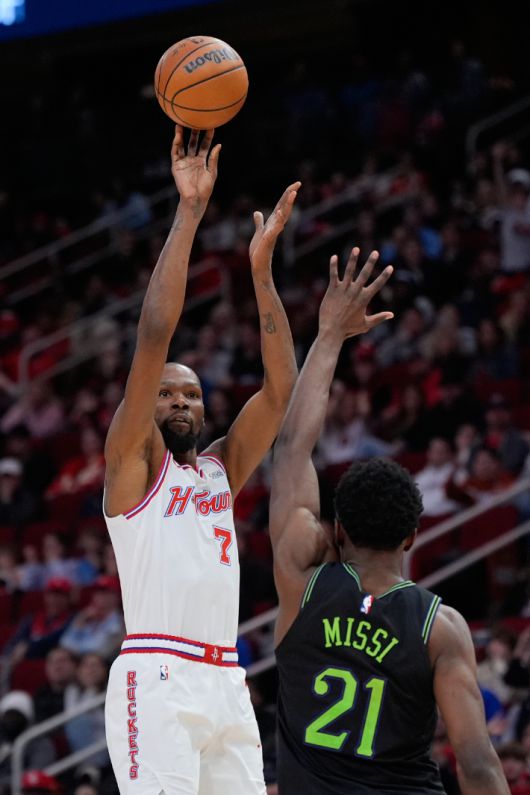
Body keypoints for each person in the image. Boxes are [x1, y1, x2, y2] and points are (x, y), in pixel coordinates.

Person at [269, 247, 510, 794]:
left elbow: (291, 450)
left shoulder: (303, 583)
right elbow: (477, 764)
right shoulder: (440, 627)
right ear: (411, 536)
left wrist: (329, 334)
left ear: (338, 531)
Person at [103, 125, 298, 795]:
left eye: (192, 393)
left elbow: (280, 390)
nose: (181, 400)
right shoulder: (132, 464)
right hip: (158, 675)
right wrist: (189, 212)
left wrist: (261, 272)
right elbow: (154, 334)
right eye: (167, 393)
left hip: (225, 679)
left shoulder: (219, 471)